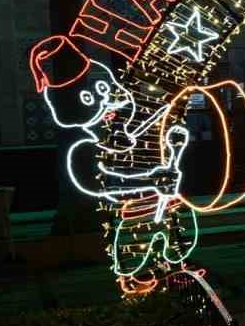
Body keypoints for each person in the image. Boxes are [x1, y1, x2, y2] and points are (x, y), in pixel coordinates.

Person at [29, 35, 200, 294]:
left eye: (104, 88)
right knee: (134, 260)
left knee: (173, 242)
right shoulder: (84, 147)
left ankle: (173, 271)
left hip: (160, 205)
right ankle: (138, 284)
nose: (107, 100)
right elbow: (103, 184)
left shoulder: (121, 131)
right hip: (131, 213)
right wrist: (151, 180)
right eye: (90, 98)